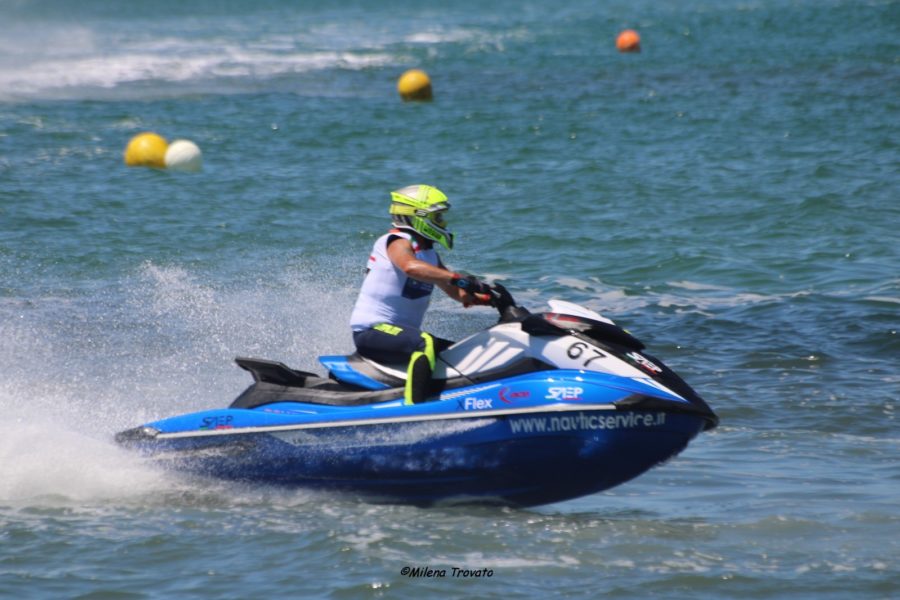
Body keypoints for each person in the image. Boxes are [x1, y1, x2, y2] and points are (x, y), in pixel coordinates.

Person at [349, 184, 493, 404]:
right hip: (372, 331)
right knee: (425, 343)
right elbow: (410, 267)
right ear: (418, 216)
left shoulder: (429, 255)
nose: (443, 223)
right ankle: (414, 407)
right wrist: (458, 278)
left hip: (399, 335)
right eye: (438, 217)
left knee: (456, 352)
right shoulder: (396, 241)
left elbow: (458, 293)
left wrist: (491, 298)